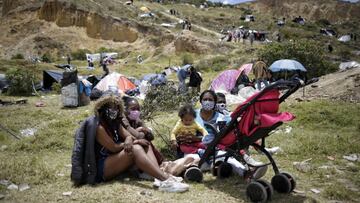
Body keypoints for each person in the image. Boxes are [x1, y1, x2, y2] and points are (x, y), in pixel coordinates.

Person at [92, 94, 189, 192]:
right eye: (111, 107)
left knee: (145, 144)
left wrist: (130, 139)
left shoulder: (115, 123)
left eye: (116, 107)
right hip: (102, 166)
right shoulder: (99, 127)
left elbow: (130, 136)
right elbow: (113, 147)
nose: (114, 110)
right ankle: (165, 179)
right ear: (103, 108)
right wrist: (129, 142)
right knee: (136, 149)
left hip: (115, 159)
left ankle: (158, 178)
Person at [195, 90, 267, 178]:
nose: (207, 102)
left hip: (216, 146)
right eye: (205, 99)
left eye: (210, 100)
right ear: (201, 101)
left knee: (227, 154)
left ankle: (247, 170)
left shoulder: (223, 117)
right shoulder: (193, 115)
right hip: (199, 147)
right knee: (225, 156)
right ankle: (246, 171)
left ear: (214, 102)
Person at [122, 97, 164, 165]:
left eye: (138, 109)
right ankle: (156, 166)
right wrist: (141, 130)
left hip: (135, 141)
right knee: (145, 142)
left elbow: (151, 136)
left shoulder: (137, 119)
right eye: (133, 109)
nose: (136, 111)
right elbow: (132, 131)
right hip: (127, 145)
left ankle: (159, 163)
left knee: (147, 142)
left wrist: (143, 130)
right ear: (125, 109)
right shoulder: (122, 119)